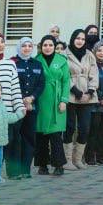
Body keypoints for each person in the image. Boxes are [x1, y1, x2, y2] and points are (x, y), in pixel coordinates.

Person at [7, 37, 44, 179]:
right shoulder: (13, 63)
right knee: (15, 138)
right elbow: (11, 83)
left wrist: (32, 98)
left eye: (29, 46)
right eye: (24, 46)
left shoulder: (37, 64)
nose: (27, 48)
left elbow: (41, 84)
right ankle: (13, 171)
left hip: (32, 107)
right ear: (19, 47)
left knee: (29, 138)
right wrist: (22, 99)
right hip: (16, 106)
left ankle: (25, 169)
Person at [34, 34, 71, 176]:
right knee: (41, 135)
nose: (47, 48)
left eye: (50, 45)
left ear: (55, 47)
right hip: (42, 100)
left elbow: (66, 81)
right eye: (45, 45)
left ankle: (59, 165)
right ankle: (42, 165)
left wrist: (64, 100)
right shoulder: (36, 61)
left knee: (56, 136)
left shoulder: (62, 61)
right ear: (41, 47)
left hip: (57, 102)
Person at [63, 29, 98, 171]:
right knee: (70, 127)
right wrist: (76, 91)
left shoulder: (89, 55)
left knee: (84, 128)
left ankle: (78, 159)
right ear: (72, 39)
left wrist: (90, 91)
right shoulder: (65, 54)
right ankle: (68, 160)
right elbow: (64, 76)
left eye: (83, 39)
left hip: (87, 97)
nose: (80, 41)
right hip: (71, 95)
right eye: (77, 38)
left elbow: (94, 74)